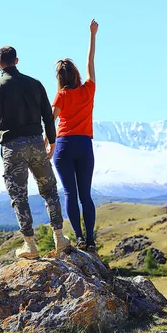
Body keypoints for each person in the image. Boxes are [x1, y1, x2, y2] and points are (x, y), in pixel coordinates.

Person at [0, 46, 71, 259]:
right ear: (17, 60)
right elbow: (48, 117)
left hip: (12, 146)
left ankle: (30, 245)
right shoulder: (35, 84)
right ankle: (60, 238)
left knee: (19, 195)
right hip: (36, 143)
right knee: (50, 189)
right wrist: (52, 141)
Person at [51, 19, 99, 252]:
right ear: (76, 75)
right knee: (85, 195)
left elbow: (50, 121)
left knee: (70, 193)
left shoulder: (61, 96)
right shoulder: (88, 90)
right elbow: (90, 60)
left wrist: (47, 144)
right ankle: (90, 239)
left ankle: (79, 238)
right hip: (84, 145)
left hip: (63, 146)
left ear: (60, 79)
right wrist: (92, 34)